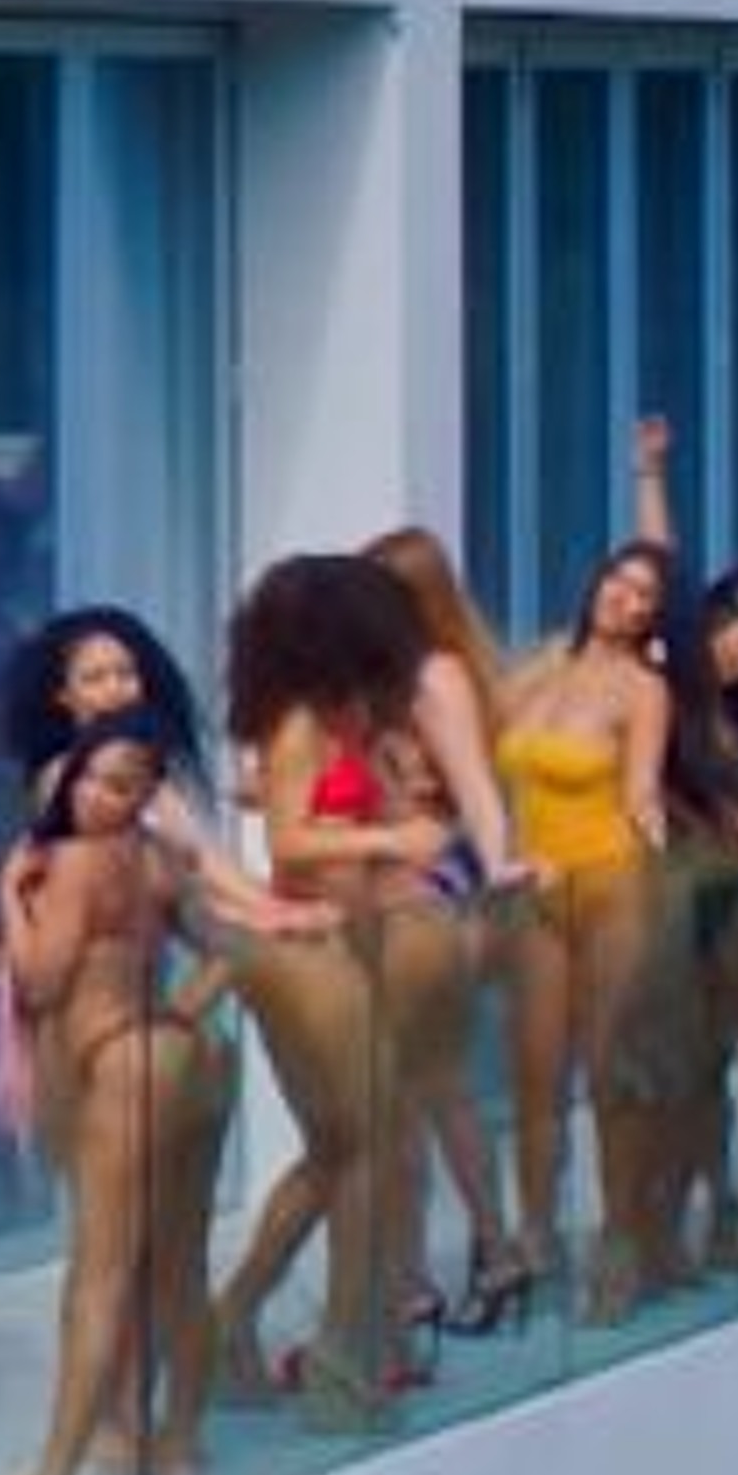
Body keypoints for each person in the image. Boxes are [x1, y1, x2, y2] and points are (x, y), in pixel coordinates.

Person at [211, 553, 443, 1428]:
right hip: (307, 952)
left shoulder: (347, 717)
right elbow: (292, 843)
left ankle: (245, 1324)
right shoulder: (298, 722)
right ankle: (341, 1358)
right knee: (358, 1151)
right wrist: (388, 842)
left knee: (342, 1153)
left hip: (354, 942)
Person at [0, 707, 238, 1475]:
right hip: (186, 1058)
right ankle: (180, 1448)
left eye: (123, 787)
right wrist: (178, 1019)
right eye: (94, 780)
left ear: (146, 792)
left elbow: (40, 983)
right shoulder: (161, 860)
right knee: (181, 1268)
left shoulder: (71, 862)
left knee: (97, 1278)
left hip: (123, 1061)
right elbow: (228, 950)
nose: (101, 797)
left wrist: (9, 897)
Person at [362, 524, 535, 1335]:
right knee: (420, 1090)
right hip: (413, 894)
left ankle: (477, 1257)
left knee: (428, 1088)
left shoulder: (433, 676)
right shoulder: (399, 675)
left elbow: (474, 788)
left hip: (433, 896)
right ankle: (440, 1268)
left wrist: (497, 864)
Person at [495, 536, 673, 1323]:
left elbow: (640, 791)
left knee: (610, 1073)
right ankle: (535, 1239)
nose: (624, 599)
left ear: (653, 616)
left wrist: (662, 840)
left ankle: (621, 1243)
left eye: (643, 595)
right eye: (617, 582)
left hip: (613, 882)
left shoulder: (644, 689)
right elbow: (473, 738)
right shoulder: (542, 662)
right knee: (535, 1074)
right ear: (595, 583)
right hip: (537, 888)